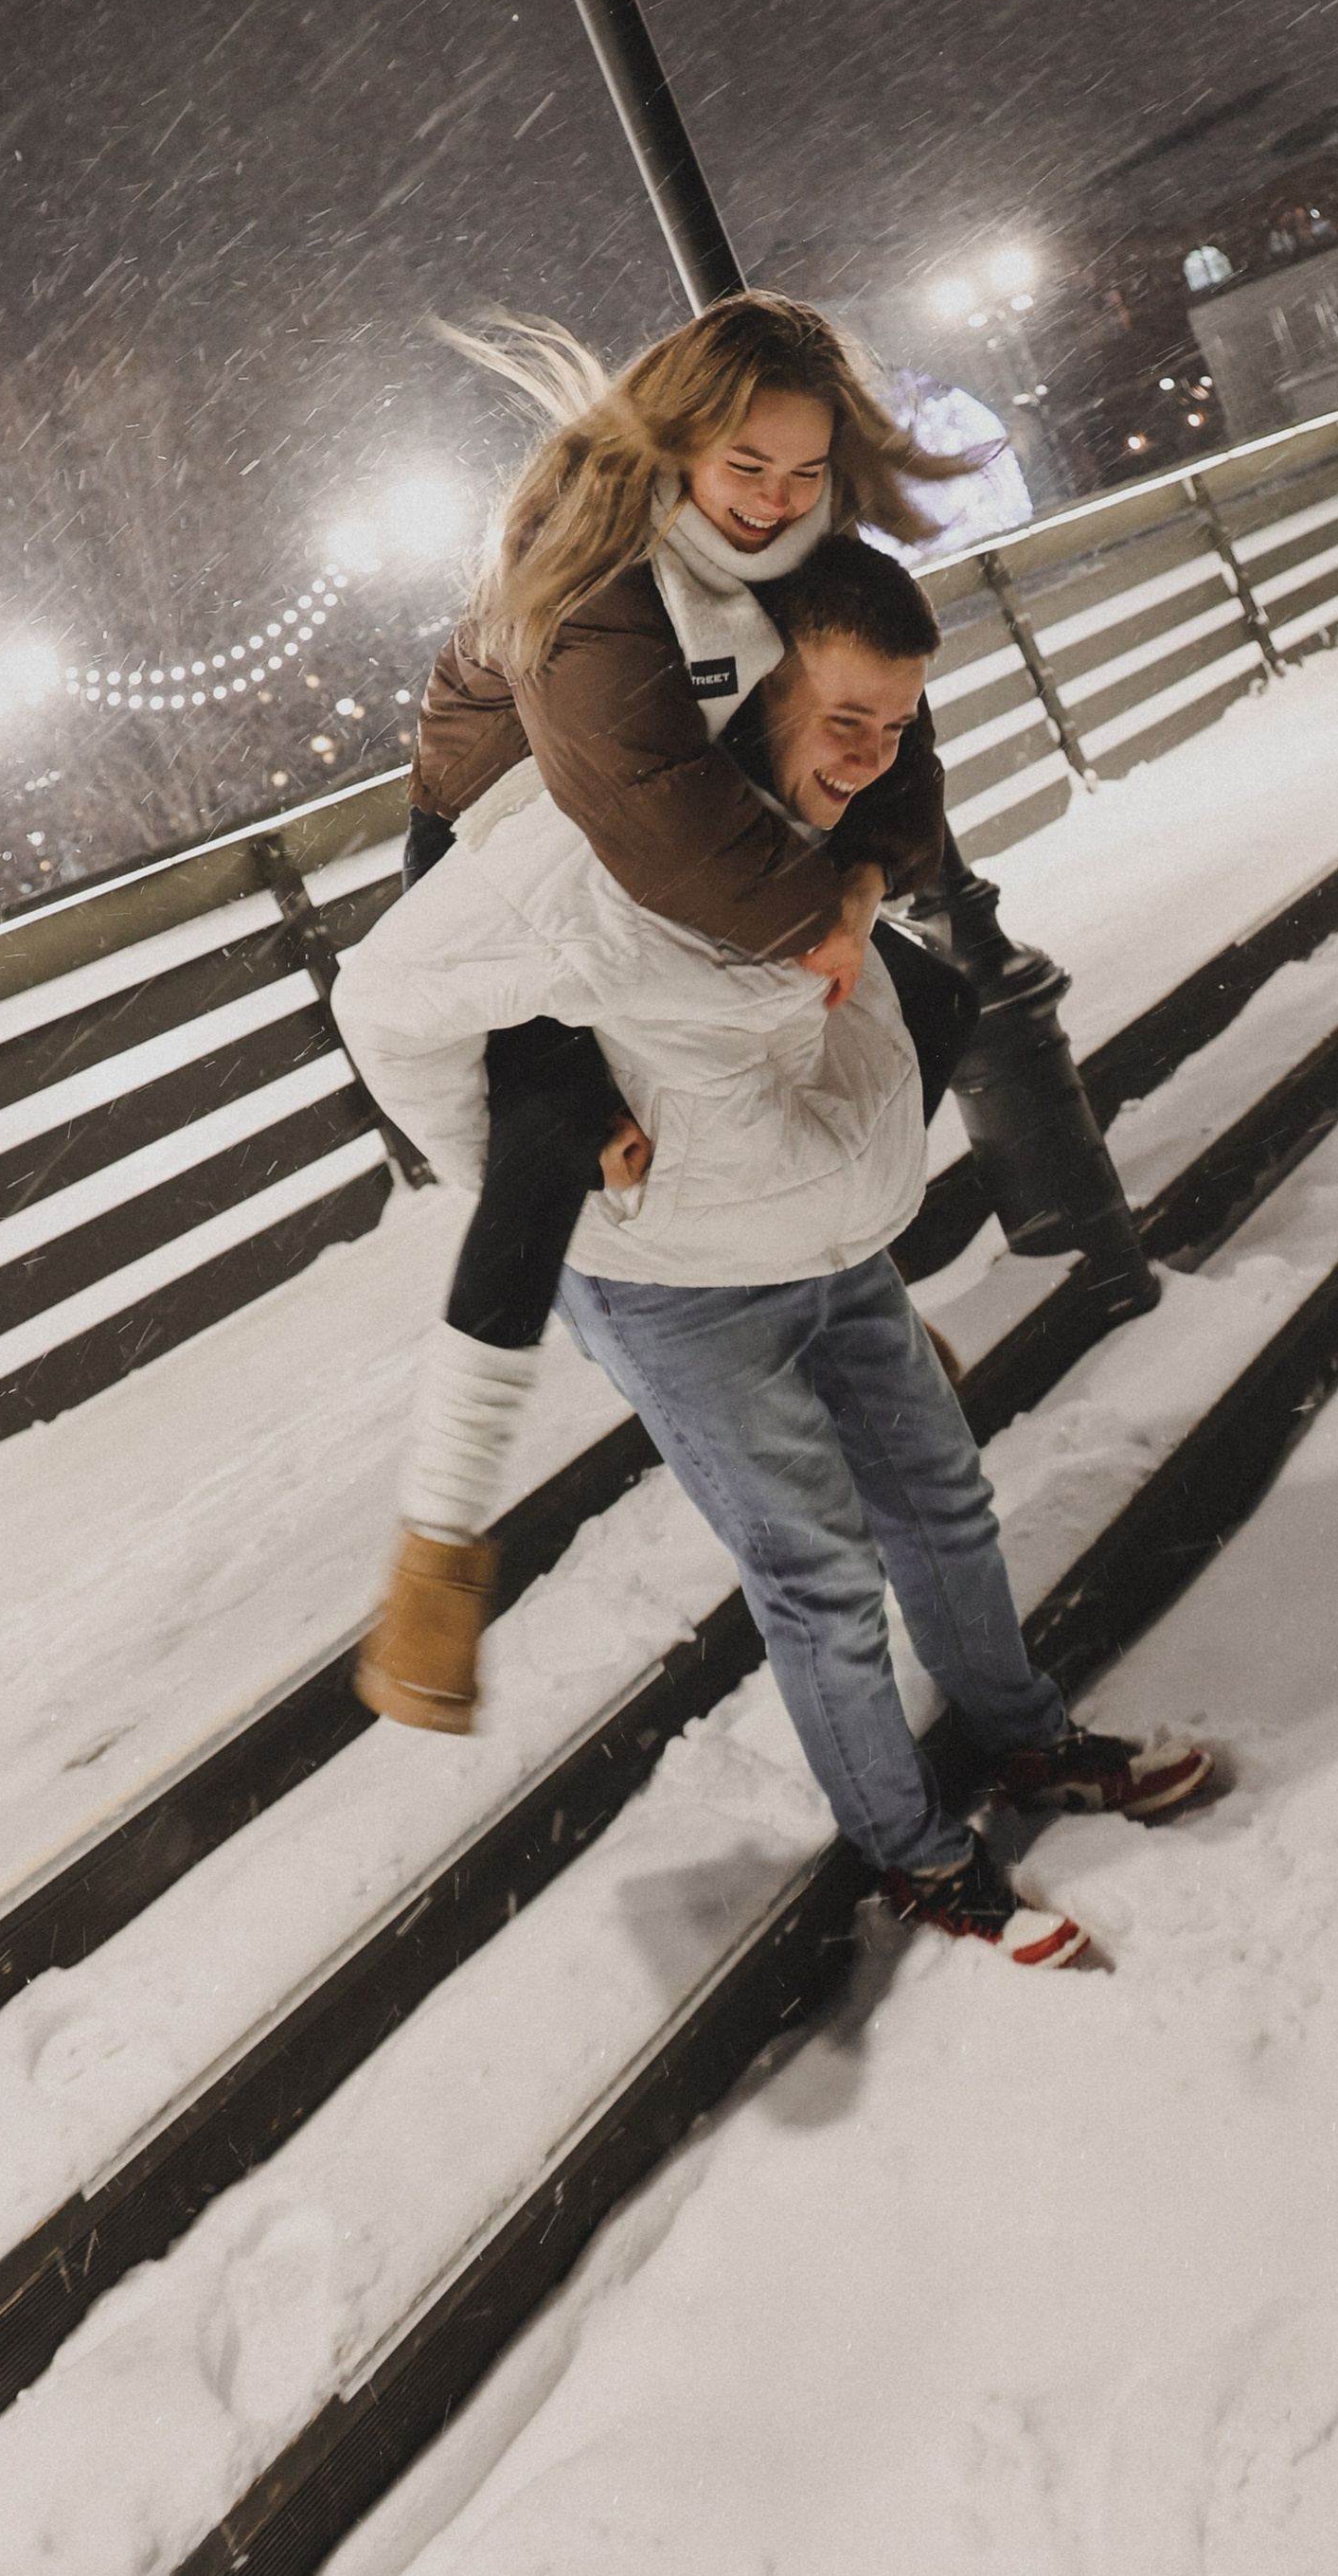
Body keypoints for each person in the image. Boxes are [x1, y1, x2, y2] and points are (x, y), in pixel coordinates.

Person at [332, 534, 1209, 1968]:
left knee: (943, 1501)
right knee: (818, 1575)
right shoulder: (590, 847)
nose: (870, 755)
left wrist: (852, 1203)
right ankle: (917, 1852)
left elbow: (904, 1009)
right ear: (751, 700)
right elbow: (385, 1004)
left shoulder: (829, 836)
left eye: (896, 724)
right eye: (842, 719)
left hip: (831, 1256)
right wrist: (535, 1158)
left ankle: (1025, 1739)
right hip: (680, 1288)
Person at [362, 292, 980, 1730]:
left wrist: (868, 877)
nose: (773, 501)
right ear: (676, 444)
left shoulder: (815, 551)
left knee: (929, 1006)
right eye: (743, 465)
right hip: (513, 864)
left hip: (701, 849)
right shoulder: (583, 566)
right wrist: (815, 915)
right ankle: (435, 1564)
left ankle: (843, 1297)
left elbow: (899, 756)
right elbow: (646, 810)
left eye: (803, 470)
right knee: (554, 1145)